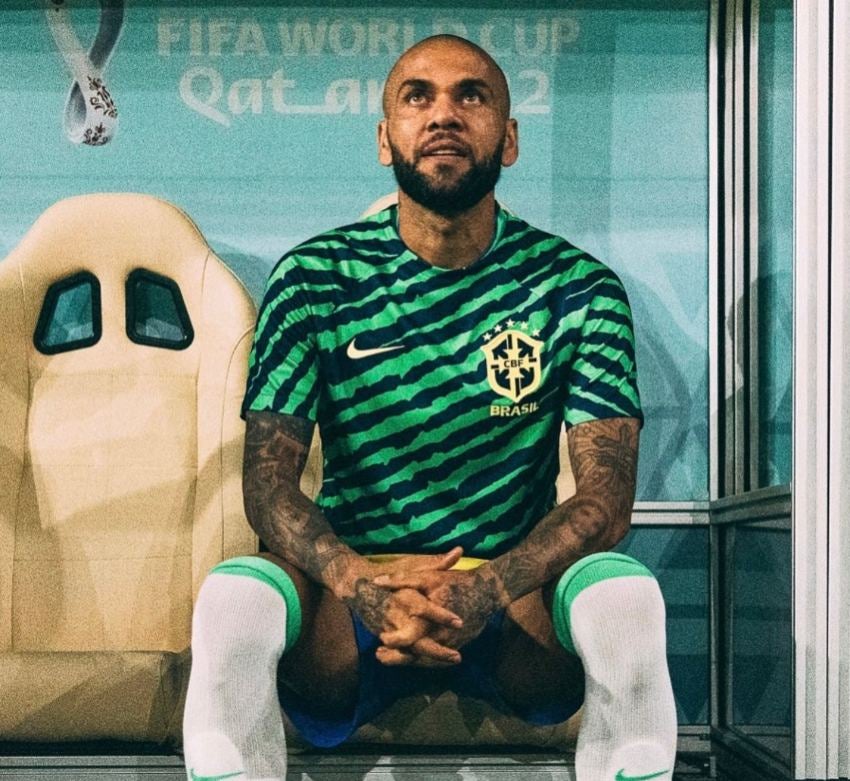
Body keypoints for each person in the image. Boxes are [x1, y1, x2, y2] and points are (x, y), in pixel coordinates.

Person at [182, 34, 677, 781]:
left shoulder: (576, 287)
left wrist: (484, 588)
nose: (444, 113)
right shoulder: (315, 278)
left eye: (471, 95)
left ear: (509, 139)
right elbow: (268, 487)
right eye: (418, 96)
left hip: (512, 606)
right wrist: (364, 586)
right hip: (354, 598)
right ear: (386, 139)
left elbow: (605, 503)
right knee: (232, 596)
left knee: (626, 594)